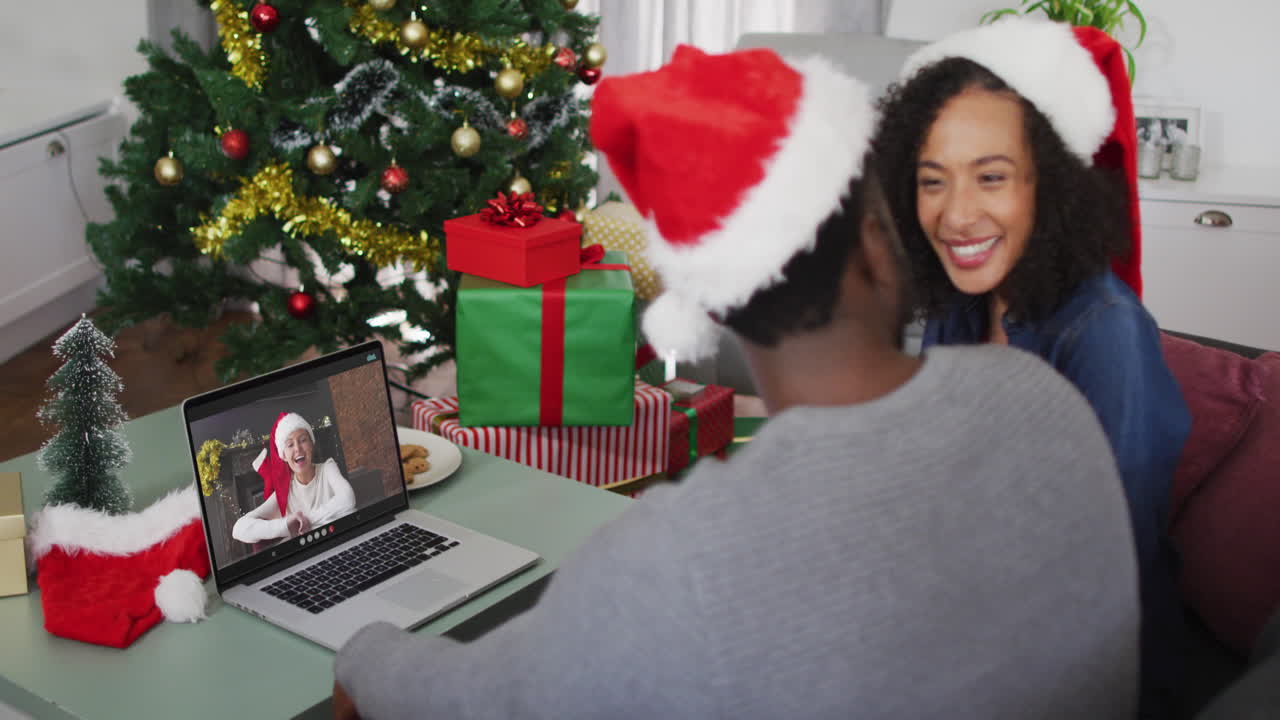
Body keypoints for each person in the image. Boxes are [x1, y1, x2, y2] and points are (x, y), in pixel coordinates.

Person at [333, 45, 1140, 719]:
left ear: (711, 305)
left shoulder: (678, 559)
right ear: (875, 242)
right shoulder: (1043, 400)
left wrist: (363, 652)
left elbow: (469, 701)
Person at [871, 17, 1191, 717]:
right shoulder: (962, 305)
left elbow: (1108, 564)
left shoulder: (1104, 332)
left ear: (1052, 185)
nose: (956, 215)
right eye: (932, 182)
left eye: (991, 177)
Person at [231, 411, 355, 544]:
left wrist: (306, 521)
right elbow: (239, 529)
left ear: (311, 444)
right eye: (290, 445)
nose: (297, 448)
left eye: (303, 440)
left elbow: (347, 498)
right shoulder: (284, 492)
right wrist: (285, 525)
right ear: (284, 455)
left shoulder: (328, 468)